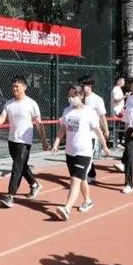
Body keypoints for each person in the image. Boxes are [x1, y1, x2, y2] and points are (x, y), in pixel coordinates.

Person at [51, 84, 109, 220]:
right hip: (70, 152)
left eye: (74, 95)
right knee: (81, 178)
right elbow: (62, 130)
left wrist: (104, 146)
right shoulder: (67, 111)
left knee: (74, 180)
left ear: (81, 96)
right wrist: (56, 143)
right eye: (69, 96)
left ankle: (67, 208)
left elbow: (97, 130)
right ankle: (88, 200)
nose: (71, 98)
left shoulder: (89, 112)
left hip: (84, 152)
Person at [0, 75, 48, 208]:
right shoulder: (9, 103)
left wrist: (44, 141)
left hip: (25, 141)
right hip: (12, 140)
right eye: (13, 87)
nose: (14, 89)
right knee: (22, 166)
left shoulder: (31, 104)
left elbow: (39, 124)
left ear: (24, 87)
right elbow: (2, 117)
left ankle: (10, 195)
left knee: (17, 167)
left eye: (17, 86)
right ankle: (34, 184)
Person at [80, 76, 110, 184]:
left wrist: (106, 130)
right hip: (80, 132)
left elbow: (102, 116)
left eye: (83, 86)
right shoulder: (79, 98)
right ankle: (91, 175)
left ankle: (83, 177)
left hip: (92, 133)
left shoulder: (97, 99)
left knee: (88, 155)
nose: (82, 88)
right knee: (83, 154)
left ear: (89, 86)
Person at [109, 75, 126, 148]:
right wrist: (124, 96)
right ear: (118, 81)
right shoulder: (116, 89)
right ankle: (116, 142)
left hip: (119, 110)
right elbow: (116, 100)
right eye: (123, 80)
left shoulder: (119, 89)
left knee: (119, 127)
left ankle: (118, 141)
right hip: (117, 111)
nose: (124, 82)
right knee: (116, 127)